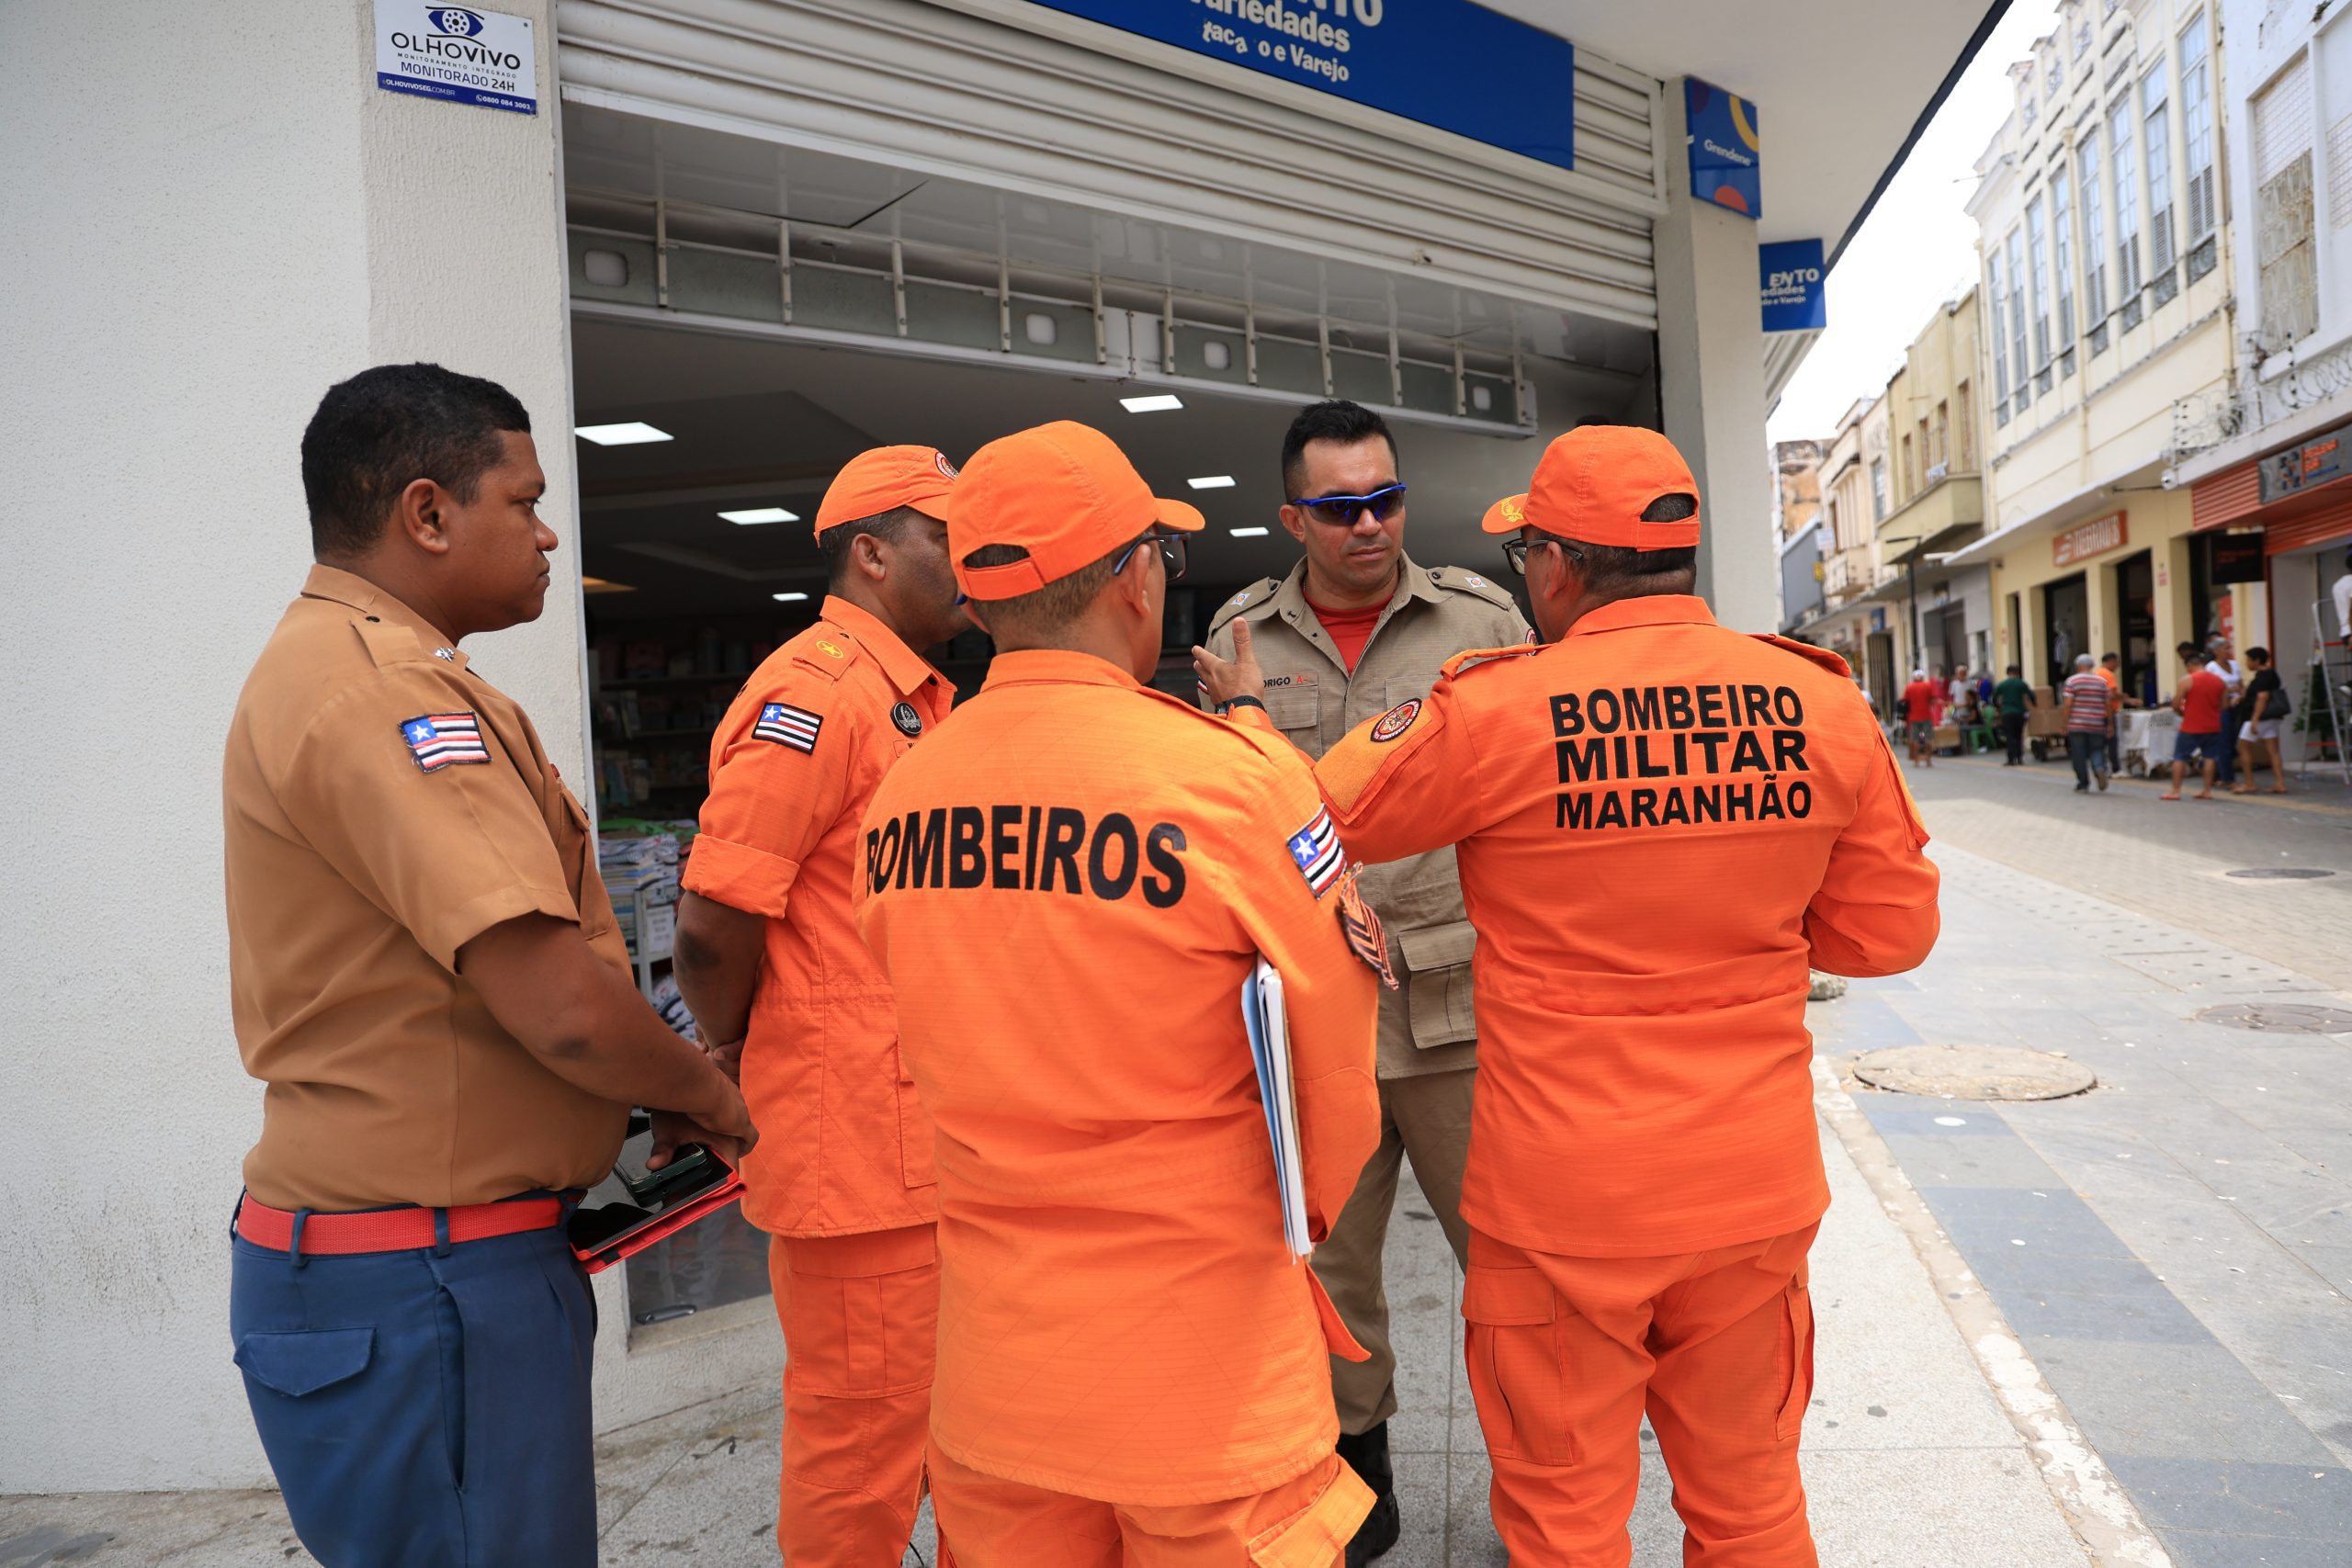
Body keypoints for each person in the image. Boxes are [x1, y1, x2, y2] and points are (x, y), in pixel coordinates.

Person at [1197, 424, 1940, 1564]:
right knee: (1750, 1506)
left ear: (1555, 566)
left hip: (1559, 1198)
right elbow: (1887, 935)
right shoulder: (1820, 702)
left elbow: (1314, 818)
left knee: (1563, 1522)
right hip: (1748, 1189)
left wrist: (1250, 722)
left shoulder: (1496, 708)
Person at [221, 364, 754, 1568]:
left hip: (414, 1263)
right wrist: (713, 1096)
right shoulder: (386, 692)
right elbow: (560, 1007)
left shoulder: (357, 668)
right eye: (524, 499)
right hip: (428, 1279)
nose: (549, 528)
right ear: (426, 512)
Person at [854, 419, 1385, 1564]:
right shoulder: (1224, 781)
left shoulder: (905, 791)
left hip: (1000, 1375)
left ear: (982, 598)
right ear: (1137, 577)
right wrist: (1300, 1234)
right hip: (1202, 1369)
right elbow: (1337, 1074)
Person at [1196, 400, 1527, 1560]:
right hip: (1307, 1014)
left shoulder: (1482, 622)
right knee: (1328, 1268)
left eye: (1385, 497)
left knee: (1511, 1256)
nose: (1370, 524)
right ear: (1294, 517)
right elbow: (1216, 818)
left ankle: (1541, 1481)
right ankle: (1357, 1480)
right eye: (1339, 507)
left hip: (1453, 1001)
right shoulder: (1240, 640)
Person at [670, 446, 967, 1566]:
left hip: (914, 1137)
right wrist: (739, 1050)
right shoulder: (815, 695)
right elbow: (711, 925)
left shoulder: (913, 698)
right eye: (947, 536)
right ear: (873, 552)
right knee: (861, 1445)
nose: (970, 559)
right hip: (856, 1154)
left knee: (941, 1428)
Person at [2165, 640, 2231, 801]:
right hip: (2213, 725)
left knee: (2180, 756)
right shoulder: (2219, 681)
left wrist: (2182, 713)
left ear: (2189, 665)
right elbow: (2225, 705)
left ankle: (2175, 791)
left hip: (2191, 725)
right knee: (2209, 757)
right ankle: (2207, 790)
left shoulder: (2187, 680)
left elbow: (2175, 703)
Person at [2230, 645, 2290, 795]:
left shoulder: (2263, 676)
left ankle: (2249, 783)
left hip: (2260, 717)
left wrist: (2255, 720)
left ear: (2257, 660)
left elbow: (2262, 698)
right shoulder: (2271, 674)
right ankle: (2280, 783)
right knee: (2273, 751)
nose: (2246, 663)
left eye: (2248, 660)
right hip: (2272, 718)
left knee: (2242, 747)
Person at [2060, 654, 2113, 793]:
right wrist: (2110, 724)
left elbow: (2068, 704)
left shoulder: (2072, 681)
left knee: (2079, 754)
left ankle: (2083, 784)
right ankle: (2099, 769)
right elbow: (2108, 705)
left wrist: (2065, 723)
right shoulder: (2102, 682)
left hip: (2077, 724)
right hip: (2096, 723)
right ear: (2092, 666)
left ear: (2078, 666)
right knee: (2097, 750)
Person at [2096, 653, 2138, 775]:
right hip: (2107, 712)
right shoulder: (2108, 675)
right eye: (2116, 662)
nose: (2117, 665)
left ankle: (2102, 768)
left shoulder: (2098, 673)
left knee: (2101, 743)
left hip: (2098, 712)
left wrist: (2126, 699)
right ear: (2111, 661)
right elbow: (2111, 696)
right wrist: (2127, 699)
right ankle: (2115, 769)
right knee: (2112, 741)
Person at [1993, 663, 2035, 765]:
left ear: (2007, 673)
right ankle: (2019, 758)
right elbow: (2031, 695)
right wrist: (2034, 704)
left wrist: (1998, 707)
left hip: (2007, 713)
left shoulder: (2003, 684)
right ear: (2018, 673)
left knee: (2010, 736)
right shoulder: (2021, 684)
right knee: (2019, 735)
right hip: (2019, 712)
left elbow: (1994, 697)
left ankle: (2011, 759)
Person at [1900, 667, 1939, 766]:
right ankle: (1928, 760)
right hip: (1927, 716)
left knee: (1915, 739)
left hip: (1913, 717)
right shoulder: (1928, 686)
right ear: (1922, 677)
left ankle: (1916, 761)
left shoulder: (1909, 687)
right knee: (1928, 738)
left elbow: (1905, 700)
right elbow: (1933, 699)